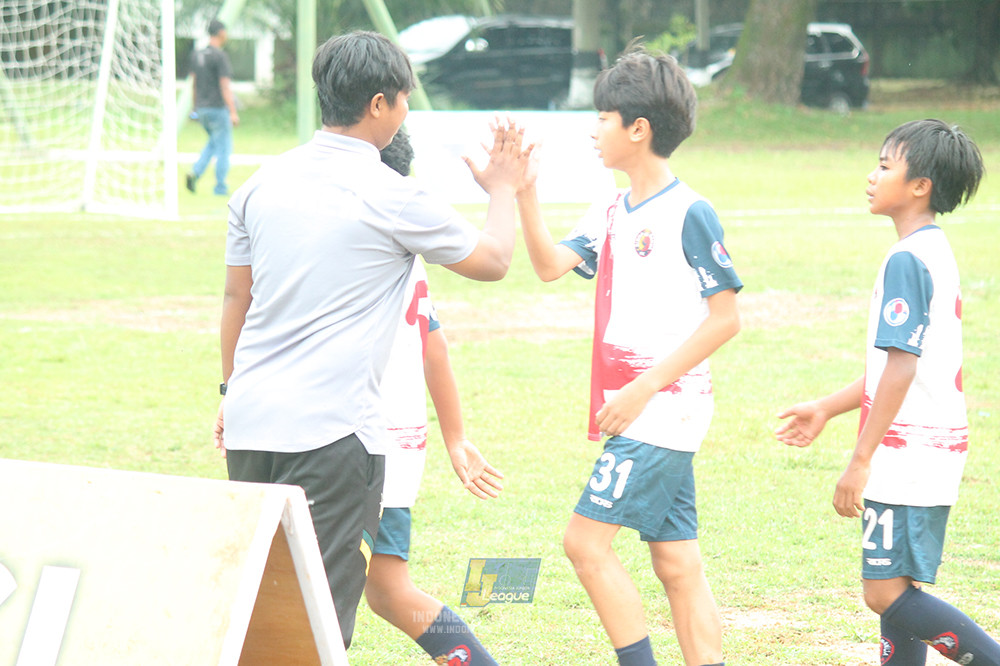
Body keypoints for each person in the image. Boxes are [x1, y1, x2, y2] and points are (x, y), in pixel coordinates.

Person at [212, 31, 530, 649]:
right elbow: (493, 261)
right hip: (331, 437)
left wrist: (230, 389)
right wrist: (503, 191)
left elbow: (235, 301)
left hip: (252, 426)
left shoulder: (257, 185)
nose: (406, 111)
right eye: (405, 100)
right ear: (379, 104)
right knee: (318, 628)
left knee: (257, 608)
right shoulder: (392, 194)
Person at [515, 46, 741, 666]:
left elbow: (726, 319)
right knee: (676, 561)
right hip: (643, 411)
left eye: (603, 116)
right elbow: (547, 266)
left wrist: (644, 388)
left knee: (584, 543)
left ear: (638, 129)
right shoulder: (613, 208)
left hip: (663, 411)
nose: (593, 128)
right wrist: (525, 194)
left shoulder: (689, 211)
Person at [775, 119, 998, 665]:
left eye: (884, 165)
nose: (871, 176)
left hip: (910, 449)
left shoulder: (906, 259)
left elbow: (900, 367)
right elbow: (901, 365)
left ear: (920, 185)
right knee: (895, 592)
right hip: (931, 443)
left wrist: (860, 459)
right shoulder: (930, 249)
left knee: (883, 592)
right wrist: (828, 407)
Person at [364, 129, 503, 665]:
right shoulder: (406, 247)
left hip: (363, 440)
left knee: (323, 587)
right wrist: (455, 437)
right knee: (388, 592)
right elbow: (434, 346)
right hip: (401, 440)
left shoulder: (363, 242)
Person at [186, 18, 239, 196]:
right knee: (223, 148)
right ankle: (220, 187)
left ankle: (195, 173)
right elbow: (225, 86)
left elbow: (194, 84)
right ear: (221, 33)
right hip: (217, 109)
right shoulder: (220, 56)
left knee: (213, 144)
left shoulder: (197, 55)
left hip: (202, 109)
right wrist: (232, 111)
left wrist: (195, 109)